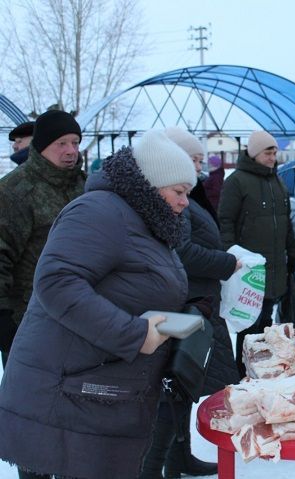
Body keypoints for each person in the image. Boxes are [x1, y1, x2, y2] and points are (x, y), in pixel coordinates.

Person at [0, 129, 197, 479]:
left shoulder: (143, 221)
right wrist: (133, 334)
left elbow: (136, 285)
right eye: (179, 192)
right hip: (66, 390)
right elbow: (56, 283)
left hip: (98, 387)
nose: (185, 202)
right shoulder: (99, 211)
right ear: (150, 185)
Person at [138, 127, 240, 479]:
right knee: (172, 392)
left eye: (198, 160)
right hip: (183, 304)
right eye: (192, 159)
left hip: (195, 302)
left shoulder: (188, 197)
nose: (198, 167)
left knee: (182, 390)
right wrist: (227, 263)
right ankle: (162, 465)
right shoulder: (174, 202)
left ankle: (179, 458)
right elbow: (182, 251)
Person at [0, 110, 86, 368]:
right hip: (29, 320)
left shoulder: (85, 186)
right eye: (62, 143)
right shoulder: (15, 191)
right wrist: (3, 318)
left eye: (75, 142)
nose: (71, 150)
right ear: (42, 146)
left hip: (84, 316)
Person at [218, 130, 295, 377]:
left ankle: (261, 370)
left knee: (265, 325)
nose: (273, 156)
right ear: (254, 154)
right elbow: (225, 221)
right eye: (268, 151)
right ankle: (241, 371)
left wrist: (292, 249)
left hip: (274, 268)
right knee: (248, 325)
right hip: (248, 270)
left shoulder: (276, 181)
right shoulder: (236, 181)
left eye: (275, 151)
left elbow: (285, 221)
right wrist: (230, 256)